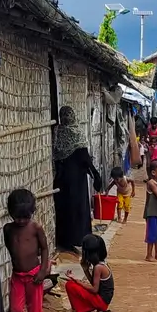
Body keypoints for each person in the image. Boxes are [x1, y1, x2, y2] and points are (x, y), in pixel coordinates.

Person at [3, 189, 50, 312]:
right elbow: (12, 249)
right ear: (10, 212)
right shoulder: (8, 229)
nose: (22, 221)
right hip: (18, 276)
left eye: (26, 217)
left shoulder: (36, 228)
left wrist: (43, 270)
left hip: (34, 275)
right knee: (15, 308)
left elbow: (44, 249)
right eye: (18, 217)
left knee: (34, 308)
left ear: (32, 213)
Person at [52, 106, 102, 253]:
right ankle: (80, 238)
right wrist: (94, 174)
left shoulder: (58, 132)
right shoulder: (78, 132)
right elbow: (84, 157)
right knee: (79, 207)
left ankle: (66, 240)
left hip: (62, 178)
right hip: (77, 178)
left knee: (65, 208)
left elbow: (57, 157)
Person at [64, 233, 114, 312]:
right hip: (102, 301)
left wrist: (77, 280)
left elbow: (94, 289)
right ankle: (84, 308)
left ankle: (80, 309)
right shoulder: (101, 264)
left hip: (101, 302)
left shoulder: (98, 267)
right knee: (75, 284)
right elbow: (94, 284)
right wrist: (85, 270)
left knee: (70, 285)